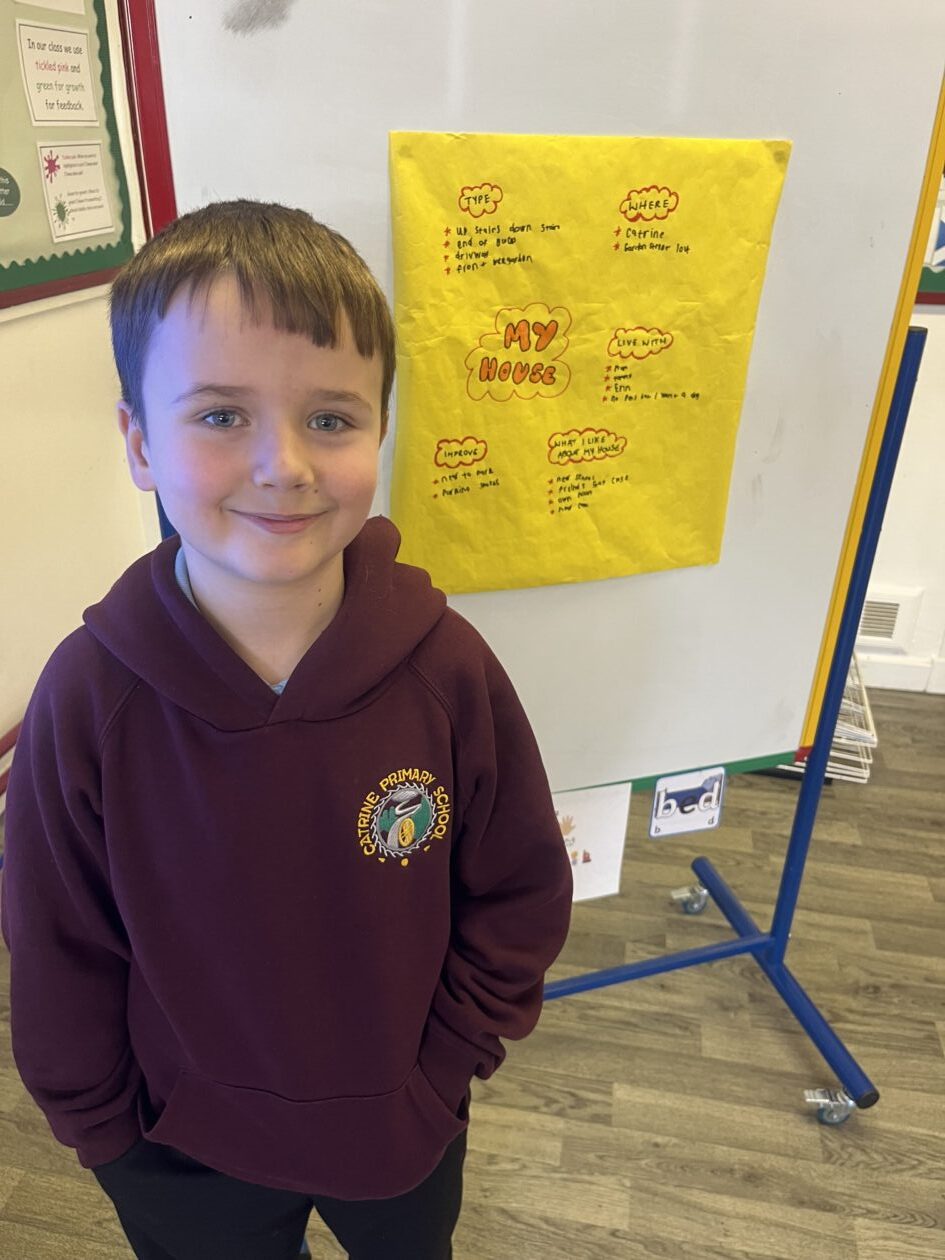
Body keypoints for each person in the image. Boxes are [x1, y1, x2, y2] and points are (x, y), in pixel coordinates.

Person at [0, 201, 573, 1260]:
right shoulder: (88, 696)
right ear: (140, 443)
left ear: (380, 430)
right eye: (221, 415)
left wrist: (444, 1064)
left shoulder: (448, 670)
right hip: (178, 1151)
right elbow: (57, 945)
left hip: (403, 1128)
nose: (284, 464)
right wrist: (105, 1133)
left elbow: (518, 887)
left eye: (331, 419)